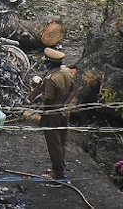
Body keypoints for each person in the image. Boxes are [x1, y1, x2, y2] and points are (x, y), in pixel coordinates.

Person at [29, 48, 77, 181]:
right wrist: (65, 104)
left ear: (49, 63)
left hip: (52, 114)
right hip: (64, 112)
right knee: (61, 142)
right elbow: (73, 90)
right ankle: (59, 167)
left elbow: (48, 99)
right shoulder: (67, 73)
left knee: (54, 144)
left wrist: (43, 115)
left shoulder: (51, 79)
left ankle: (58, 173)